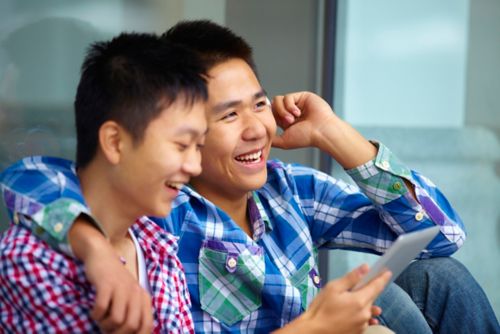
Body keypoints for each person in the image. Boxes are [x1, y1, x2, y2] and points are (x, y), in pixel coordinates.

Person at [2, 20, 499, 333]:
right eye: (228, 116)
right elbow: (33, 177)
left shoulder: (289, 189)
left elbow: (443, 233)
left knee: (436, 275)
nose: (256, 128)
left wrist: (332, 132)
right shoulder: (162, 212)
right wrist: (92, 243)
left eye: (259, 104)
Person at [0, 32, 209, 333]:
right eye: (181, 145)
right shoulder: (31, 259)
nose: (194, 166)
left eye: (198, 147)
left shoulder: (158, 249)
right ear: (114, 142)